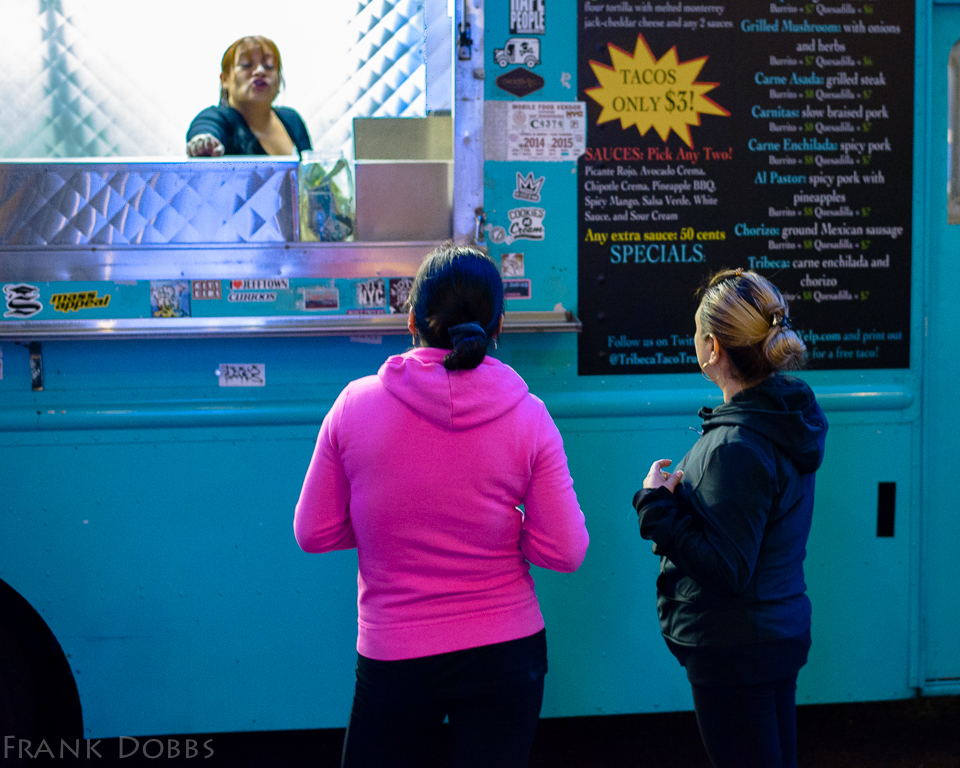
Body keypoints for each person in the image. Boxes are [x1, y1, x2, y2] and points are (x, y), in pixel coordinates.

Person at [294, 244, 589, 768]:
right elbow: (565, 551)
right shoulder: (530, 416)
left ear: (411, 321)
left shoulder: (353, 405)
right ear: (499, 327)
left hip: (396, 654)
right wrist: (502, 526)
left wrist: (390, 523)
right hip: (507, 651)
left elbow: (313, 532)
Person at [632, 268, 827, 768]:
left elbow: (728, 568)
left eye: (698, 333)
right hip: (772, 634)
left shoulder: (734, 446)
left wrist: (655, 507)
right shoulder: (783, 420)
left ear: (713, 347)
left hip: (735, 648)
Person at [186, 35, 311, 157]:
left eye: (269, 66)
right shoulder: (217, 117)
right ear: (225, 79)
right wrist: (203, 143)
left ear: (279, 79)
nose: (260, 71)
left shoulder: (292, 119)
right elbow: (205, 128)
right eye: (246, 65)